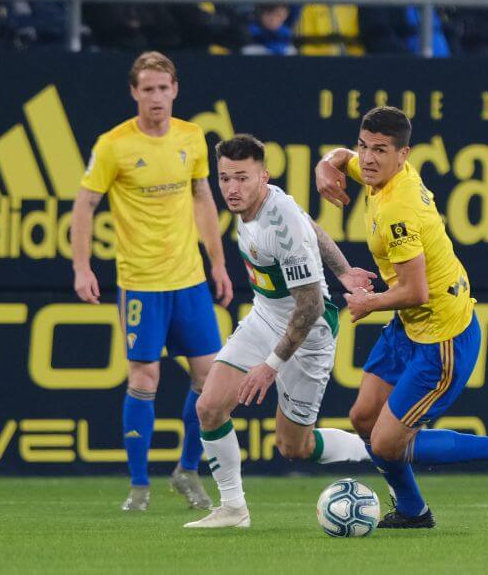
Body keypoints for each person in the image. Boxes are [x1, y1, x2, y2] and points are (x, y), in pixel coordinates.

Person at [315, 107, 488, 528]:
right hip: (411, 323)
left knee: (385, 443)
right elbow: (342, 154)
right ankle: (413, 511)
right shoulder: (382, 171)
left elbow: (414, 290)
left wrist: (368, 304)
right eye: (364, 146)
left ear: (404, 155)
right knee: (363, 418)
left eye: (379, 150)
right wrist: (325, 164)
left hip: (441, 337)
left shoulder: (398, 210)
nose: (366, 158)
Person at [71, 51, 234, 512]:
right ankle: (139, 487)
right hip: (141, 281)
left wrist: (217, 263)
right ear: (134, 93)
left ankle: (187, 470)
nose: (157, 97)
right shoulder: (114, 145)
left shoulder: (192, 136)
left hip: (189, 280)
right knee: (145, 377)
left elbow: (203, 197)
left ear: (175, 89)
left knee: (210, 379)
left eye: (164, 88)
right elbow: (84, 206)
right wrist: (82, 268)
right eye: (148, 89)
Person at [185, 134, 375, 529]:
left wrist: (270, 366)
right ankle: (233, 510)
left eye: (242, 178)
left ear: (263, 177)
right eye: (224, 179)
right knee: (209, 406)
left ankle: (378, 450)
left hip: (309, 334)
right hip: (265, 315)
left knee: (294, 446)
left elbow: (311, 306)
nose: (232, 189)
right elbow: (315, 227)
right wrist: (343, 270)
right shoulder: (259, 203)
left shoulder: (279, 223)